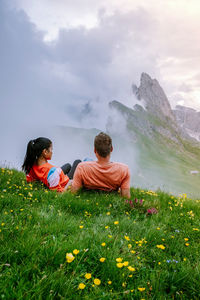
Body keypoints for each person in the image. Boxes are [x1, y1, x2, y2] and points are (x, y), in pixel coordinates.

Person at [71, 132, 131, 198]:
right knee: (87, 159)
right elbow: (126, 197)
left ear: (95, 150)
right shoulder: (124, 169)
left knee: (87, 159)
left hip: (89, 170)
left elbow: (73, 192)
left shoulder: (81, 167)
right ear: (111, 149)